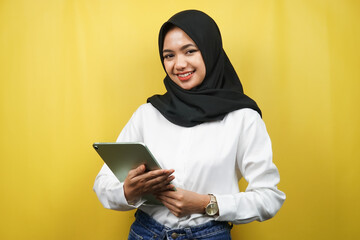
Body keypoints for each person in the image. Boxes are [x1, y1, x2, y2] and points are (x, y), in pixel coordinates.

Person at [93, 10, 285, 240]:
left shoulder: (243, 118)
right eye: (169, 56)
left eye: (190, 51)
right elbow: (102, 184)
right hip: (146, 233)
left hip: (209, 235)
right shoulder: (148, 114)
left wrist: (207, 204)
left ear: (210, 50)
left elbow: (269, 197)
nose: (179, 64)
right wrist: (128, 191)